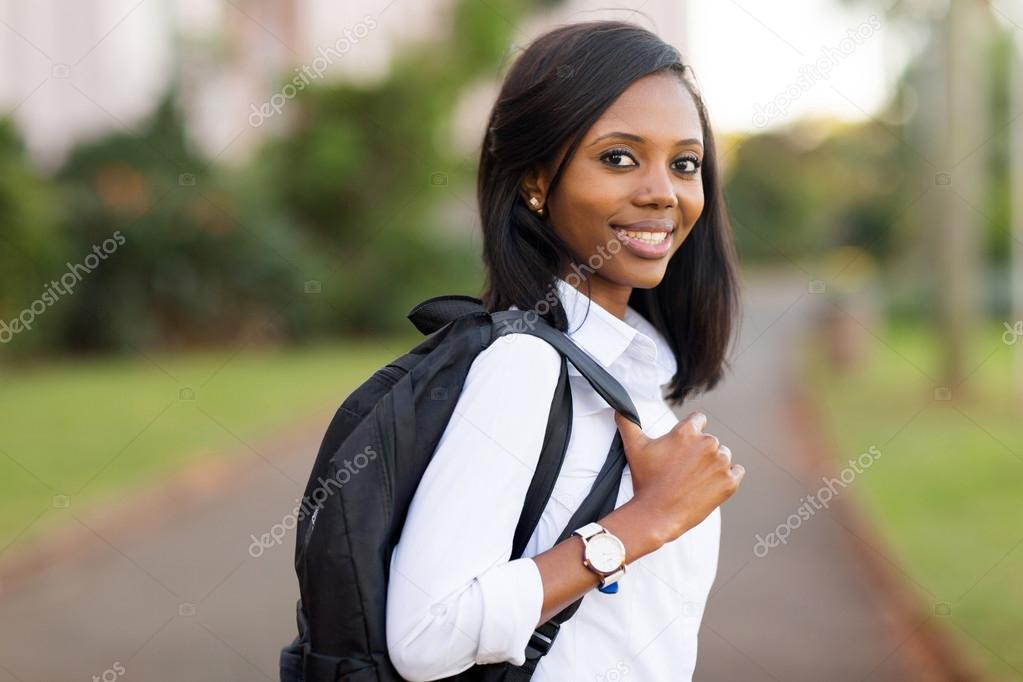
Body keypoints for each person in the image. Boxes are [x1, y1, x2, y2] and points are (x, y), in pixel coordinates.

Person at [385, 19, 745, 682]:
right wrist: (647, 520)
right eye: (617, 157)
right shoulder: (523, 367)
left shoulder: (629, 373)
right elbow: (425, 633)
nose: (661, 192)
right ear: (534, 181)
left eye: (683, 164)